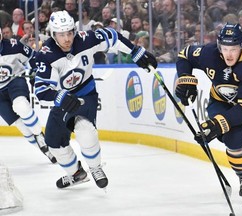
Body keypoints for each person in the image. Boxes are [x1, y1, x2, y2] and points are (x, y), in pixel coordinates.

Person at [33, 10, 157, 189]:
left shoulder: (86, 39)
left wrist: (135, 52)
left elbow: (112, 36)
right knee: (53, 142)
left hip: (86, 93)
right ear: (53, 34)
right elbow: (42, 90)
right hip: (63, 100)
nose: (67, 38)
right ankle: (77, 174)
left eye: (69, 33)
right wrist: (60, 97)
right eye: (61, 35)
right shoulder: (46, 55)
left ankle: (95, 167)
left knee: (85, 130)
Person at [174, 23, 242, 200]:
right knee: (235, 138)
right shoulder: (208, 53)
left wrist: (217, 124)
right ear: (219, 46)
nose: (228, 54)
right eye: (225, 48)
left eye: (233, 49)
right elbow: (184, 55)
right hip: (220, 103)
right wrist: (185, 79)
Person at [0, 28, 56, 164]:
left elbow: (32, 57)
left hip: (15, 82)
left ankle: (38, 134)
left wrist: (34, 73)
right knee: (21, 126)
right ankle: (46, 151)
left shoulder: (13, 45)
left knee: (21, 106)